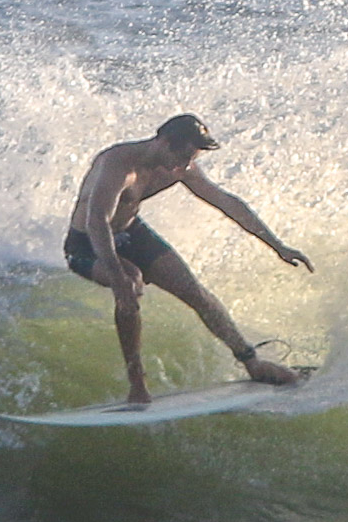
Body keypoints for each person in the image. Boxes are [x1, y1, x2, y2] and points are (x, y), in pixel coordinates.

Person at [64, 114, 315, 405]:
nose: (184, 167)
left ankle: (252, 362)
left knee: (195, 292)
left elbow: (227, 203)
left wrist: (278, 246)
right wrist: (117, 276)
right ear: (164, 141)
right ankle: (137, 385)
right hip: (87, 244)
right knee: (129, 284)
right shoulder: (118, 165)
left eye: (190, 159)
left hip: (131, 232)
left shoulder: (179, 167)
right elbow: (97, 222)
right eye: (182, 156)